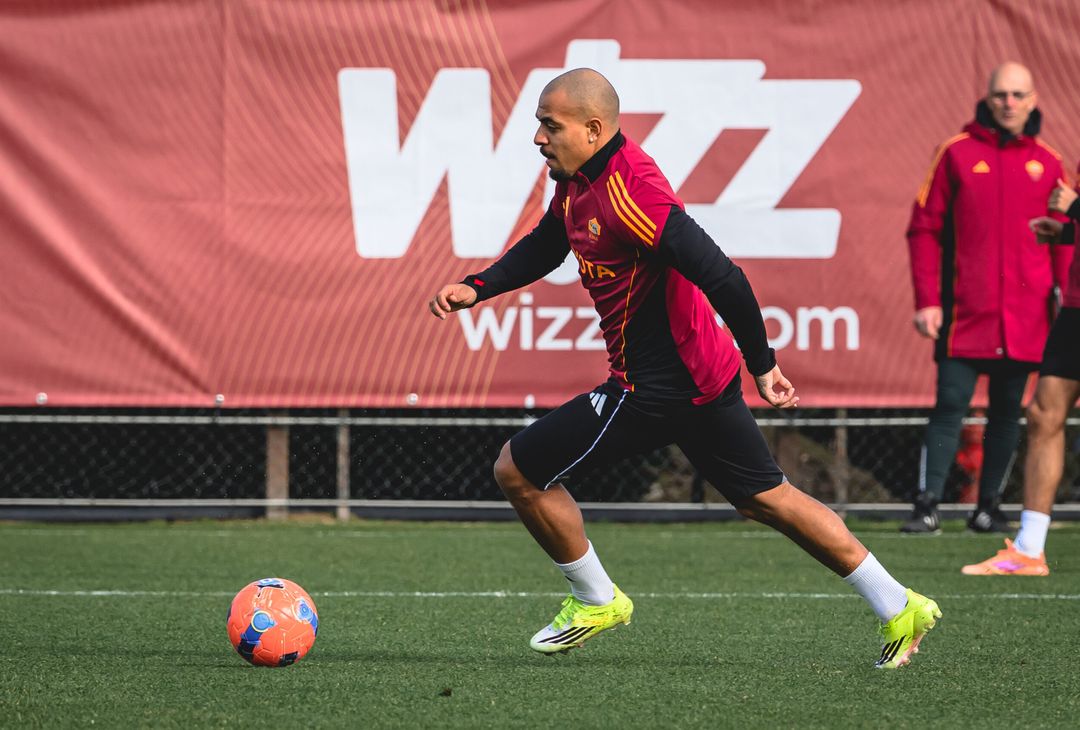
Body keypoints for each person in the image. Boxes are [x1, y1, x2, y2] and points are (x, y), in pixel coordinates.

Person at [428, 68, 940, 669]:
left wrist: (765, 365)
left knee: (518, 469)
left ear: (593, 129)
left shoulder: (631, 193)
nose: (539, 137)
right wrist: (478, 286)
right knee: (766, 498)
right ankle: (899, 605)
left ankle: (597, 600)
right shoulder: (578, 180)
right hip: (701, 373)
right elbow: (550, 241)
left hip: (657, 386)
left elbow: (723, 276)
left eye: (550, 125)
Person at [903, 62, 1073, 534]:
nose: (1009, 103)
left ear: (1034, 99)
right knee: (950, 404)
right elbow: (924, 228)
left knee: (1007, 412)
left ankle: (988, 508)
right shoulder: (955, 154)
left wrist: (1064, 307)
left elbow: (1065, 240)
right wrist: (927, 300)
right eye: (1001, 94)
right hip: (964, 313)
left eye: (1019, 95)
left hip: (1026, 316)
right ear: (988, 97)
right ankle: (927, 504)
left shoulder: (1051, 162)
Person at [962, 175, 1080, 575]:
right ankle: (1029, 549)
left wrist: (1074, 208)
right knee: (1044, 415)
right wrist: (1067, 232)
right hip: (1077, 307)